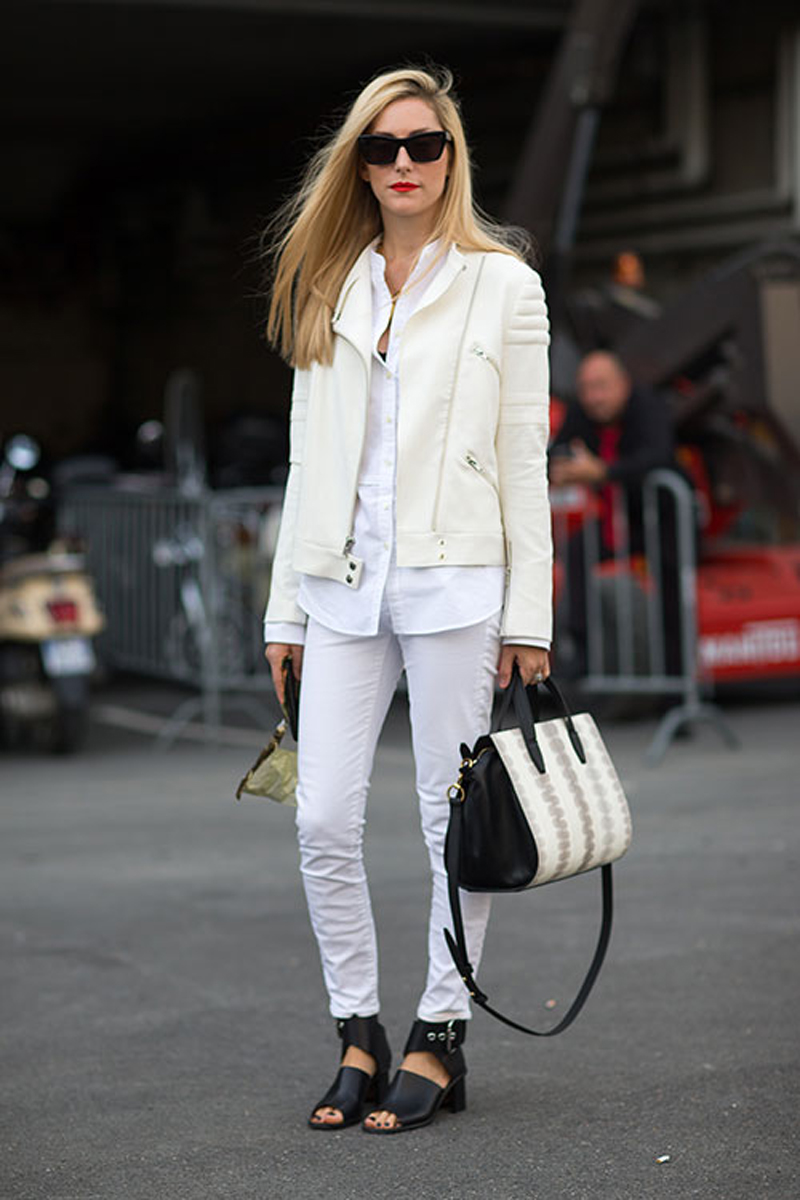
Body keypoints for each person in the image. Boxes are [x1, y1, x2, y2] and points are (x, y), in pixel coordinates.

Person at [261, 65, 552, 1135]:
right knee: (322, 815)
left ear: (450, 157)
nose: (402, 164)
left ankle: (440, 1031)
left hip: (455, 581)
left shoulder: (502, 286)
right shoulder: (329, 283)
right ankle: (357, 1028)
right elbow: (307, 460)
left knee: (449, 819)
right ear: (357, 163)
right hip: (338, 584)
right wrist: (282, 614)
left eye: (422, 144)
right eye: (380, 147)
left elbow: (523, 462)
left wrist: (529, 618)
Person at [549, 350, 680, 674]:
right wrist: (560, 469)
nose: (594, 397)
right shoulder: (582, 412)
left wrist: (603, 472)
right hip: (616, 520)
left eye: (601, 387)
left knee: (671, 591)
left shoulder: (648, 406)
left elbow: (659, 456)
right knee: (577, 552)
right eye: (586, 388)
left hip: (662, 518)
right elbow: (557, 451)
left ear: (622, 384)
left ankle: (676, 679)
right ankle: (582, 654)